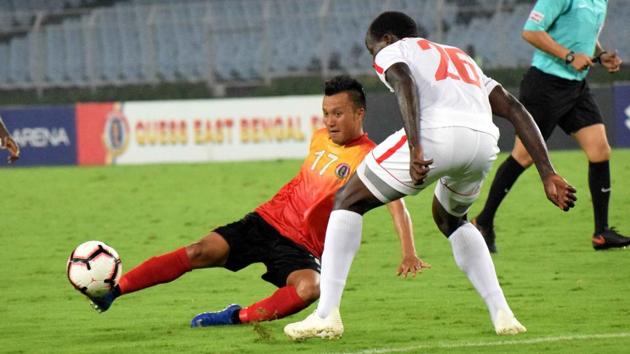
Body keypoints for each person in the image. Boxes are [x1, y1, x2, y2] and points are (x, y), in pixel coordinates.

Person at [284, 12, 576, 340]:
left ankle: (326, 314)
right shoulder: (459, 56)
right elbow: (513, 107)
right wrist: (547, 173)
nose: (374, 58)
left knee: (347, 201)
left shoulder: (394, 51)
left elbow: (404, 82)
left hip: (435, 134)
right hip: (482, 143)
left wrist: (416, 146)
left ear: (388, 40)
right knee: (451, 219)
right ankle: (503, 313)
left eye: (373, 50)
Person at [85, 75, 429, 327]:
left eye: (337, 113)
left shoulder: (370, 157)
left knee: (311, 289)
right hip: (265, 221)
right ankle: (114, 291)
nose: (329, 120)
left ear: (359, 114)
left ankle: (235, 317)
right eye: (325, 112)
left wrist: (409, 250)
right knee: (198, 251)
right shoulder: (320, 136)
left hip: (302, 246)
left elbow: (395, 203)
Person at [472, 0, 627, 252]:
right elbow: (530, 31)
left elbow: (584, 36)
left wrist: (600, 55)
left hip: (576, 86)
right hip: (545, 85)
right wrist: (568, 56)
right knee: (522, 157)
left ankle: (602, 232)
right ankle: (483, 221)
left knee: (600, 151)